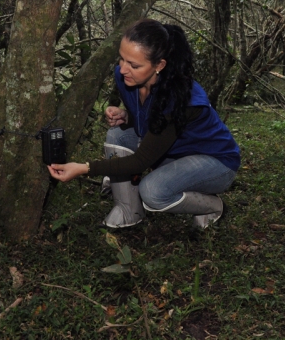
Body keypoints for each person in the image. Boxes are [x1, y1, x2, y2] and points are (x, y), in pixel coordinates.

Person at [48, 19, 240, 229]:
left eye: (134, 65)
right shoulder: (126, 78)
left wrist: (83, 168)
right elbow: (148, 115)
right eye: (122, 59)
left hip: (214, 162)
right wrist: (126, 116)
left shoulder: (182, 99)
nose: (123, 70)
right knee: (117, 135)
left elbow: (141, 161)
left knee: (152, 192)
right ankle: (129, 210)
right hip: (172, 152)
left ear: (159, 65)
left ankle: (214, 206)